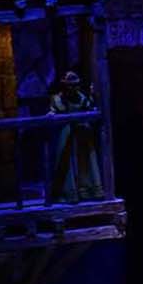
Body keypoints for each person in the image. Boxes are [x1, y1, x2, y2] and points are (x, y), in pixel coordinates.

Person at [48, 72, 103, 203]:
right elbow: (53, 111)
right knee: (66, 162)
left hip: (81, 133)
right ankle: (69, 193)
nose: (73, 88)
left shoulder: (81, 97)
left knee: (85, 160)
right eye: (70, 85)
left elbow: (89, 107)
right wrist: (51, 114)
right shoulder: (58, 99)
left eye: (75, 85)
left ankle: (87, 190)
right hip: (66, 133)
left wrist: (93, 99)